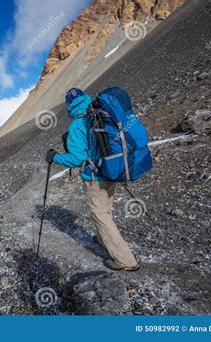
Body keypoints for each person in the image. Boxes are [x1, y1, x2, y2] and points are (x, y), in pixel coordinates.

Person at [45, 88, 140, 271]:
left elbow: (77, 158)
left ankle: (125, 260)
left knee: (101, 215)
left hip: (95, 176)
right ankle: (102, 238)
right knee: (106, 209)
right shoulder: (99, 114)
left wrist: (54, 157)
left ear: (69, 105)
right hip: (111, 170)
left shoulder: (77, 124)